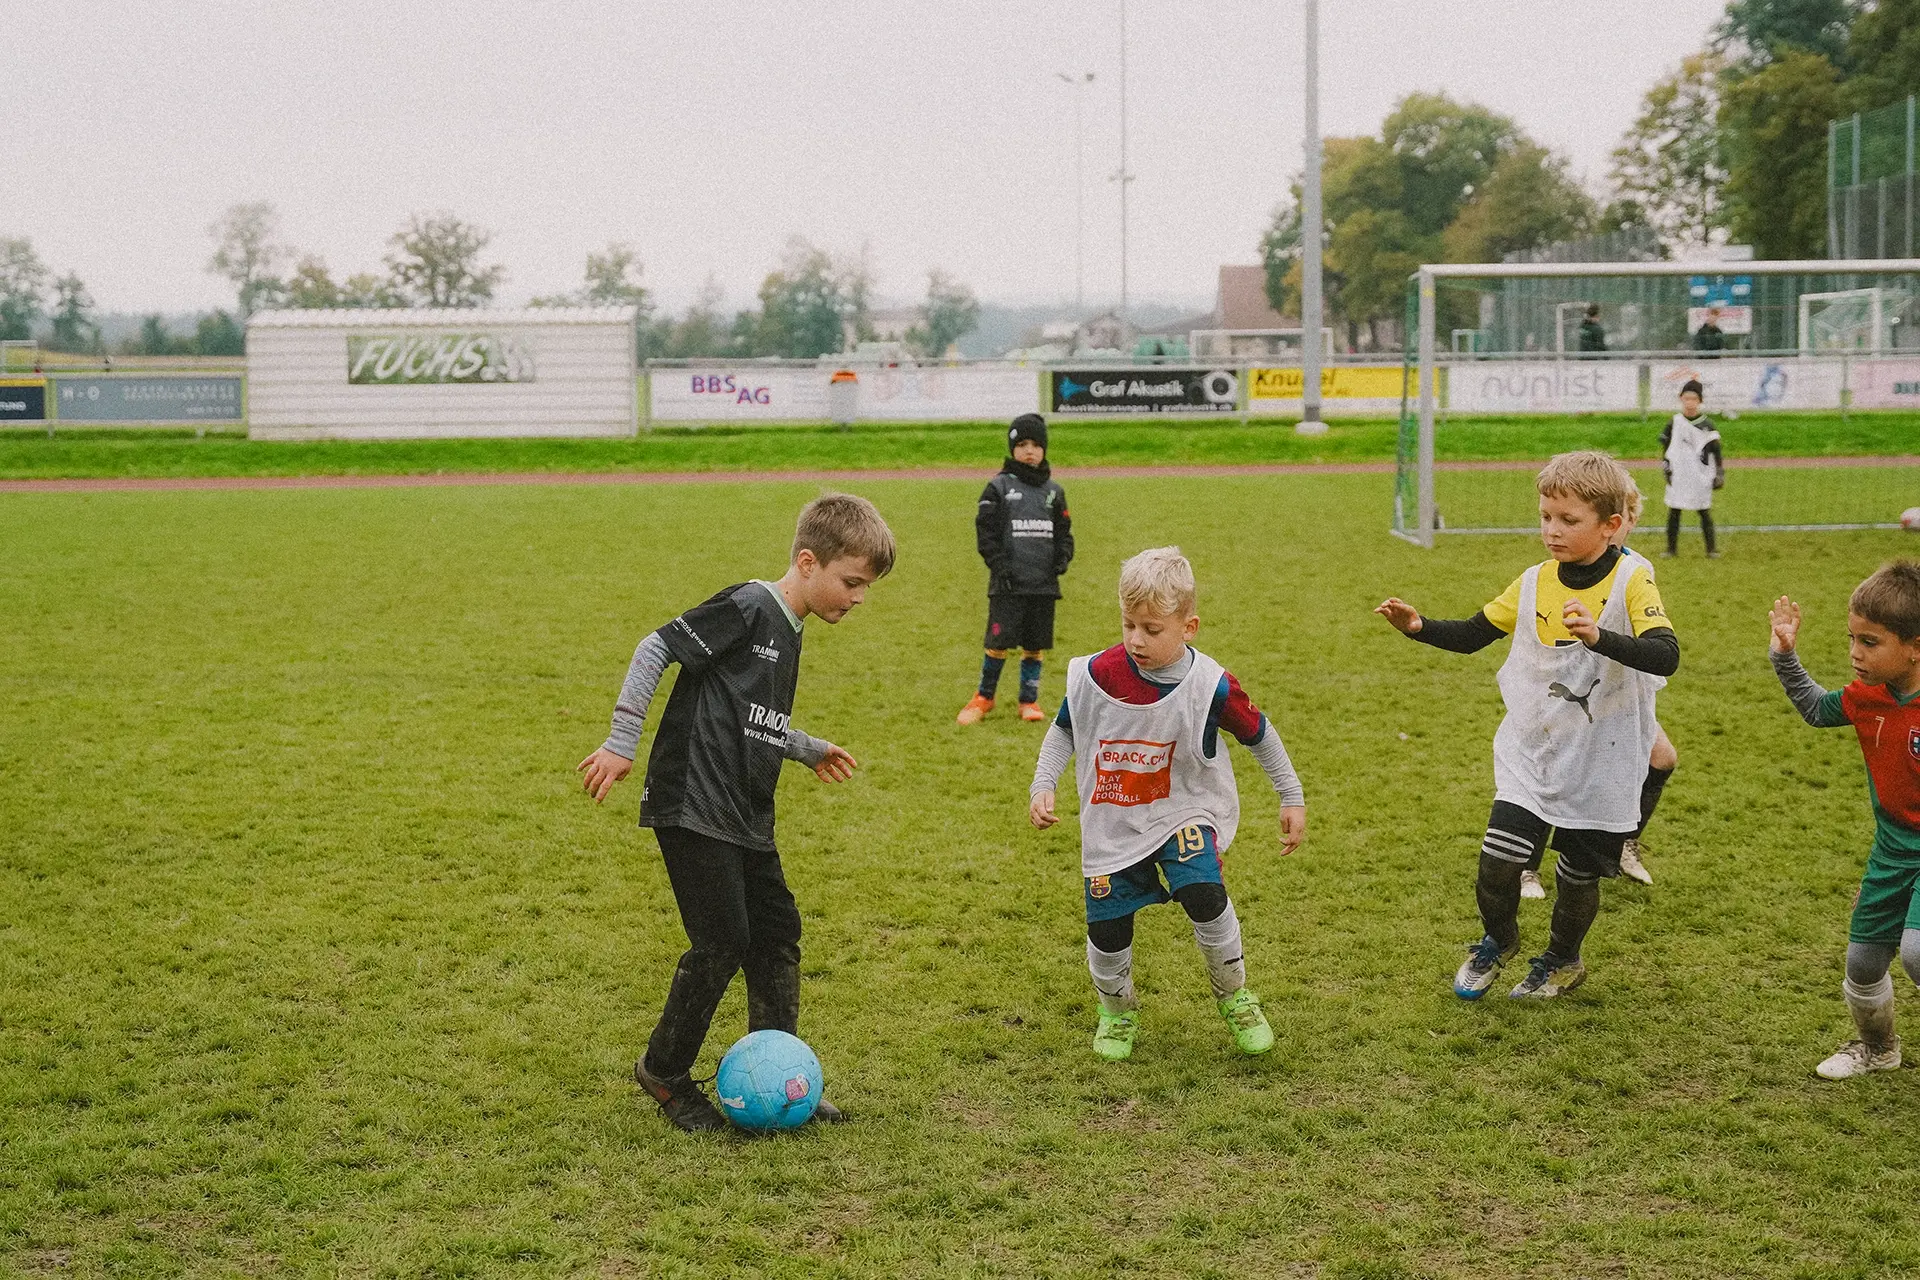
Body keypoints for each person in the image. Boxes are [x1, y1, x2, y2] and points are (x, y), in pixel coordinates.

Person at [576, 493, 897, 1131]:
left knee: (776, 932)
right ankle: (663, 1073)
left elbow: (752, 716)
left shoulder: (793, 628)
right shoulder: (752, 606)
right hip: (693, 799)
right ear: (808, 562)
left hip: (745, 808)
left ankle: (780, 1071)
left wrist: (805, 748)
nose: (859, 597)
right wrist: (621, 740)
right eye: (851, 582)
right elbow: (654, 647)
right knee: (722, 940)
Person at [1376, 451, 1680, 999]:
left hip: (1601, 757)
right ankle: (1499, 939)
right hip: (1535, 751)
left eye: (1569, 521)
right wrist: (1419, 627)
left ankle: (1562, 960)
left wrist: (1598, 637)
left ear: (1612, 526)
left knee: (1576, 877)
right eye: (1546, 517)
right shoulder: (1535, 581)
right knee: (1498, 866)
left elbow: (1665, 655)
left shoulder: (1634, 579)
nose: (1552, 531)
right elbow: (1473, 633)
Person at [1029, 547, 1306, 1061]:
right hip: (1113, 818)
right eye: (1129, 624)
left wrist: (1290, 795)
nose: (1136, 639)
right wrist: (1043, 782)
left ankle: (1236, 996)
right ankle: (1116, 1010)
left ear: (1189, 626)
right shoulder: (1097, 675)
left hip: (1186, 810)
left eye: (1152, 629)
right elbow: (1064, 730)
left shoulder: (1211, 686)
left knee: (1204, 890)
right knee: (1107, 927)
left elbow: (1259, 735)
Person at [1769, 564, 1920, 1080]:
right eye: (1851, 638)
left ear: (1915, 646)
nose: (1854, 653)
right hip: (1893, 849)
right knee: (1862, 966)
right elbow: (1814, 707)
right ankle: (1879, 1050)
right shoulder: (1866, 697)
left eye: (1870, 642)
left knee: (1917, 953)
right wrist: (1785, 656)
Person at [1518, 481, 1674, 896]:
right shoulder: (1558, 573)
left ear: (1623, 522)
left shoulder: (1636, 569)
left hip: (1621, 693)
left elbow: (1653, 643)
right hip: (1574, 689)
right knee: (1558, 768)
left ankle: (1623, 841)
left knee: (1662, 758)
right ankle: (1527, 866)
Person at [958, 414, 1075, 725]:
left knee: (1034, 646)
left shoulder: (1054, 491)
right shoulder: (998, 487)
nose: (1029, 451)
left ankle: (1029, 700)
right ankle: (984, 697)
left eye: (1036, 445)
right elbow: (986, 533)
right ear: (1012, 448)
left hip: (1042, 585)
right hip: (1008, 584)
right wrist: (999, 566)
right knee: (997, 644)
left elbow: (1064, 532)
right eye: (1022, 444)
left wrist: (1062, 559)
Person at [1661, 379, 1724, 559]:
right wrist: (1666, 468)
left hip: (1700, 475)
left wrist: (1719, 472)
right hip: (1679, 473)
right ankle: (1671, 549)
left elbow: (1716, 451)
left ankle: (1711, 549)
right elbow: (1665, 448)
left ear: (1700, 401)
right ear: (1681, 398)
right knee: (1674, 510)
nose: (1689, 402)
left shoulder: (1707, 425)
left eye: (1693, 399)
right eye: (1686, 398)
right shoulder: (1674, 422)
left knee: (1703, 510)